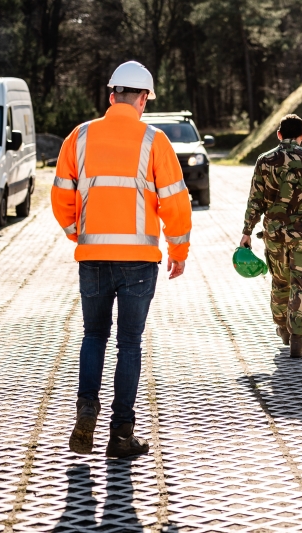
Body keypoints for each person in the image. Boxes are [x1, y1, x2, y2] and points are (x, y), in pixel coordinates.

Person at [51, 61, 192, 458]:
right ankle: (121, 435)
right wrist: (178, 252)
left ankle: (86, 408)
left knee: (94, 335)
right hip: (138, 261)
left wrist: (78, 233)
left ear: (112, 95)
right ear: (143, 99)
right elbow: (176, 203)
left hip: (93, 257)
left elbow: (60, 195)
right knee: (129, 344)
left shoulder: (79, 136)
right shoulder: (154, 140)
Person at [240, 114, 302, 358]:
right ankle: (297, 338)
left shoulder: (265, 161)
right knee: (301, 283)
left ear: (279, 135)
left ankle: (283, 328)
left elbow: (255, 200)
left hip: (275, 234)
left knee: (280, 281)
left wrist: (247, 231)